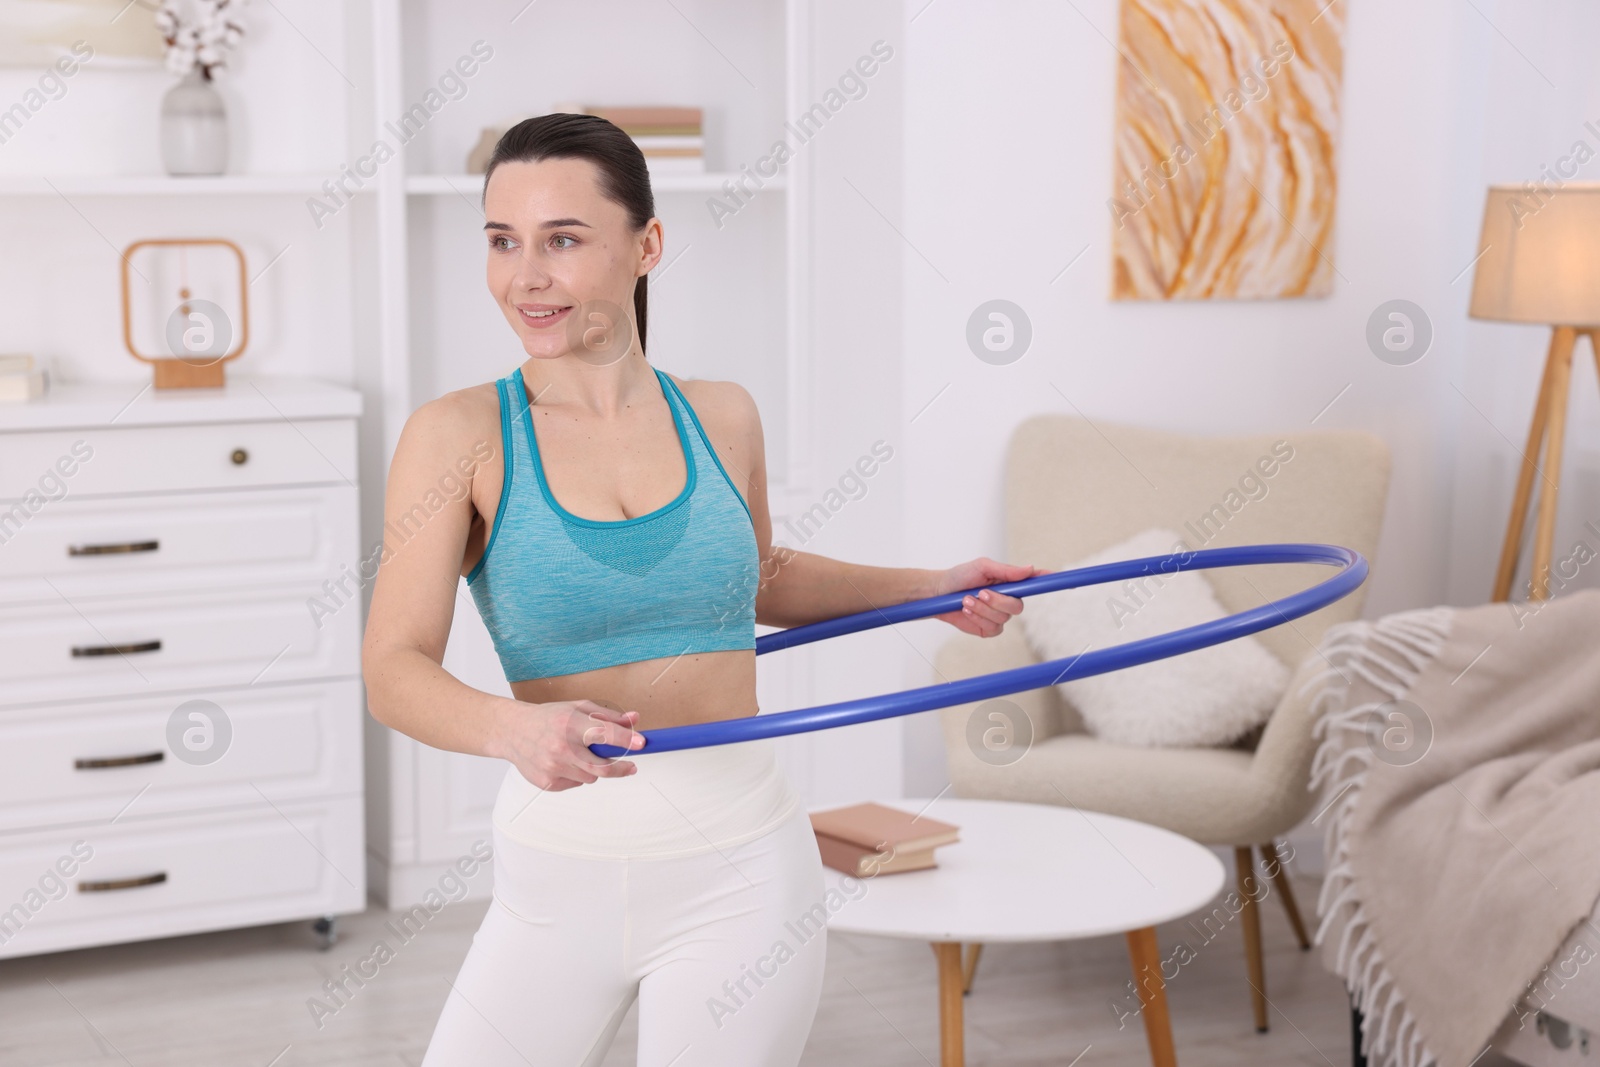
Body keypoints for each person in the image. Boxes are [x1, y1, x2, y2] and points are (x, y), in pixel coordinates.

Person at [362, 112, 1039, 1067]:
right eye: (503, 241)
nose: (526, 276)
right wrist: (517, 729)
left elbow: (756, 578)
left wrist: (931, 586)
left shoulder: (722, 413)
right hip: (557, 878)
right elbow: (392, 668)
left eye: (563, 239)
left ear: (648, 246)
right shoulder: (459, 434)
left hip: (743, 866)